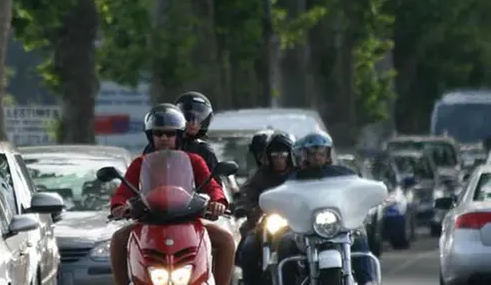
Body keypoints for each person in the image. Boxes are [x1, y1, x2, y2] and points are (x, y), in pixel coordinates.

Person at [109, 104, 235, 285]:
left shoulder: (194, 161)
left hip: (189, 220)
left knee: (225, 240)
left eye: (170, 134)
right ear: (150, 136)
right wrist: (119, 206)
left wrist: (218, 201)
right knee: (118, 238)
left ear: (179, 136)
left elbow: (213, 187)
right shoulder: (140, 163)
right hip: (148, 220)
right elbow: (123, 191)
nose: (164, 138)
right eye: (158, 133)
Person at [277, 132, 377, 285]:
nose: (317, 157)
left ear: (328, 154)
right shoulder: (294, 179)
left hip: (338, 226)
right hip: (304, 229)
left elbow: (357, 191)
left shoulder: (344, 174)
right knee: (285, 241)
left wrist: (365, 201)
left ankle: (368, 281)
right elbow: (284, 198)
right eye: (312, 153)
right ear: (303, 155)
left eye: (321, 152)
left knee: (360, 236)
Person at [234, 131, 296, 285]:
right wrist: (244, 206)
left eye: (283, 155)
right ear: (269, 156)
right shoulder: (261, 174)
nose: (279, 160)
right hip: (268, 222)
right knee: (248, 247)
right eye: (275, 156)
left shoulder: (299, 173)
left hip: (297, 224)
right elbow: (248, 192)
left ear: (290, 156)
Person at [143, 92, 219, 172]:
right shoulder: (154, 147)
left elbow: (213, 182)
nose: (193, 122)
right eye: (188, 117)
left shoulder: (203, 150)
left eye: (199, 118)